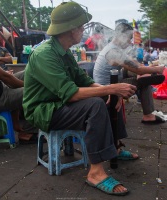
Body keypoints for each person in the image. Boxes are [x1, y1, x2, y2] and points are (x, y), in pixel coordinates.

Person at [23, 2, 137, 196]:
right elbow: (72, 93)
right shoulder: (44, 55)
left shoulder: (64, 52)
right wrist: (111, 88)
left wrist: (110, 92)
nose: (84, 30)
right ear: (71, 29)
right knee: (95, 104)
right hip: (43, 111)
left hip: (59, 104)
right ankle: (96, 173)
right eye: (81, 26)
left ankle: (115, 149)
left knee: (105, 98)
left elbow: (83, 80)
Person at [93, 22, 165, 124]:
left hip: (111, 81)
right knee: (145, 81)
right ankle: (148, 116)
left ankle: (149, 110)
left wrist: (148, 68)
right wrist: (158, 69)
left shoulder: (112, 48)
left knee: (139, 75)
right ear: (121, 36)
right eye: (129, 38)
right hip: (107, 89)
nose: (130, 41)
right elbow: (138, 69)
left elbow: (134, 63)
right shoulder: (114, 52)